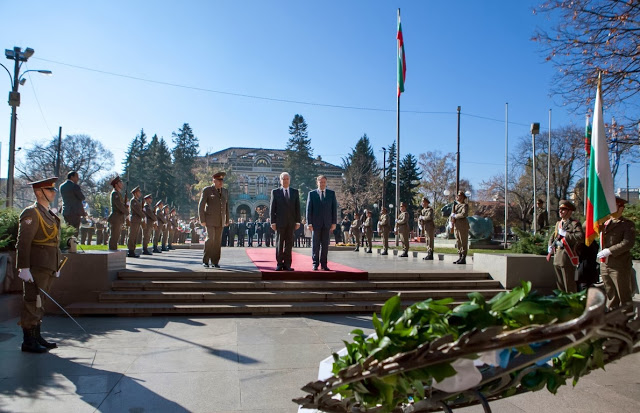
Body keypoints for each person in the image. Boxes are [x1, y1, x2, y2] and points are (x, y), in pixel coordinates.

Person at [16, 177, 62, 353]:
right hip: (36, 266)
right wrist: (24, 267)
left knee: (40, 302)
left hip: (48, 265)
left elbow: (54, 241)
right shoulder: (31, 213)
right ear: (38, 192)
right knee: (32, 302)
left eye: (53, 190)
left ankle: (36, 335)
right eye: (49, 190)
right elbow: (23, 243)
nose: (53, 193)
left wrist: (56, 265)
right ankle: (28, 341)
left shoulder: (47, 213)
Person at [597, 197, 636, 309]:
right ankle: (612, 319)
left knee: (624, 295)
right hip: (605, 264)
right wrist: (595, 214)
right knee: (611, 295)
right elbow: (587, 228)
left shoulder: (627, 224)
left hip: (619, 265)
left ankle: (626, 320)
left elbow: (628, 243)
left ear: (621, 208)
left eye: (614, 206)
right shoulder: (604, 222)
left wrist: (610, 251)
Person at [547, 200, 584, 293]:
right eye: (560, 209)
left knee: (569, 285)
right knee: (560, 285)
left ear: (570, 211)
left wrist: (566, 234)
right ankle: (563, 303)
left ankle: (571, 304)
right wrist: (550, 246)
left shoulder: (574, 224)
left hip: (567, 257)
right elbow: (553, 236)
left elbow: (580, 237)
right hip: (557, 257)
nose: (560, 211)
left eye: (563, 209)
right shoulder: (558, 224)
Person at [270, 172, 301, 271]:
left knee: (289, 244)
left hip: (291, 223)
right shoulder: (275, 192)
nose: (285, 181)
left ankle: (287, 264)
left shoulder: (295, 192)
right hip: (279, 223)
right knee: (279, 243)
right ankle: (279, 263)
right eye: (283, 179)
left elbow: (297, 208)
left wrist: (298, 221)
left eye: (287, 179)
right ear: (280, 180)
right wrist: (273, 222)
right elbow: (272, 208)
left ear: (289, 180)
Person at [306, 175, 338, 271]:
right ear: (317, 183)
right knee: (315, 245)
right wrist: (309, 223)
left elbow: (334, 209)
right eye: (320, 182)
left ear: (326, 183)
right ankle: (315, 264)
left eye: (324, 182)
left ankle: (324, 264)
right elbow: (308, 209)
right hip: (315, 224)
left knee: (325, 245)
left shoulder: (331, 194)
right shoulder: (312, 194)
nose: (322, 184)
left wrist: (334, 222)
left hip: (327, 224)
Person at [198, 171, 230, 268]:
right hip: (210, 220)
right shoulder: (207, 190)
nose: (221, 182)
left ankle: (215, 261)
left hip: (220, 220)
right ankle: (206, 260)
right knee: (210, 239)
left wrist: (227, 220)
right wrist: (202, 219)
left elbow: (226, 206)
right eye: (218, 180)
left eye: (222, 180)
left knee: (217, 241)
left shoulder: (225, 191)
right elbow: (201, 205)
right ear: (214, 180)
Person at [59, 171, 85, 235]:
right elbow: (82, 197)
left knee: (68, 230)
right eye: (76, 177)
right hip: (75, 212)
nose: (78, 179)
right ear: (72, 177)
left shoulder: (61, 186)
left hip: (66, 211)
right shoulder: (75, 186)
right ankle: (73, 244)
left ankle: (67, 244)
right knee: (75, 231)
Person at [107, 176, 128, 251]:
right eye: (120, 182)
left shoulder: (118, 193)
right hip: (115, 217)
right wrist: (127, 212)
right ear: (116, 184)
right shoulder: (115, 193)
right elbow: (119, 205)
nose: (121, 184)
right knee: (114, 236)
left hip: (118, 217)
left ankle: (114, 251)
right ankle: (112, 251)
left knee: (116, 236)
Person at [451, 191, 470, 264]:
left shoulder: (465, 205)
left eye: (459, 196)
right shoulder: (455, 206)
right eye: (457, 196)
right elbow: (452, 215)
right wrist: (451, 220)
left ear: (462, 197)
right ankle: (460, 256)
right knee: (458, 241)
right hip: (456, 225)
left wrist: (455, 216)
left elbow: (464, 214)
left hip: (463, 225)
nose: (457, 197)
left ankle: (463, 257)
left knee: (463, 241)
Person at [127, 186, 144, 258]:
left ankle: (133, 250)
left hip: (137, 220)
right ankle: (130, 250)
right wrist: (144, 216)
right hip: (134, 220)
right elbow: (138, 210)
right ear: (135, 193)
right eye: (139, 192)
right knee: (132, 235)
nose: (140, 193)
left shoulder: (137, 201)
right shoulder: (133, 201)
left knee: (135, 236)